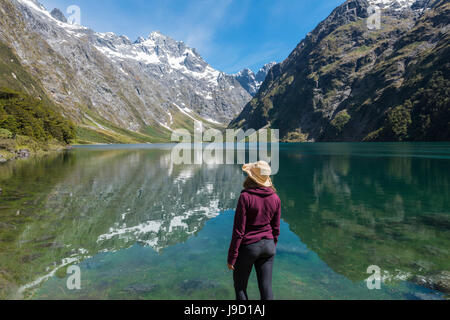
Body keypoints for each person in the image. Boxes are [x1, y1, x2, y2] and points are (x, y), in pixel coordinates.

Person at [227, 160, 281, 300]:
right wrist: (271, 246)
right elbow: (276, 228)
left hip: (249, 247)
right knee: (266, 288)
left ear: (251, 177)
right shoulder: (275, 197)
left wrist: (232, 257)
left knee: (240, 287)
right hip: (268, 246)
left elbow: (239, 231)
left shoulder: (245, 197)